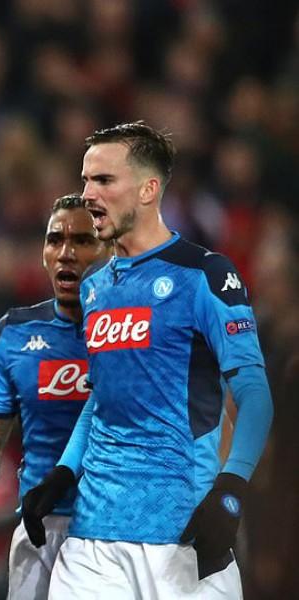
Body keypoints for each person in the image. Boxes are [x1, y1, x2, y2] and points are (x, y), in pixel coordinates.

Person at [22, 122, 274, 599]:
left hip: (183, 537)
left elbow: (254, 394)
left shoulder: (204, 274)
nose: (87, 194)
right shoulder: (95, 287)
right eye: (85, 180)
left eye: (103, 180)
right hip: (92, 544)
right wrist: (64, 471)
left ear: (148, 189)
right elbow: (102, 396)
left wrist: (231, 487)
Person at [0, 195, 109, 600]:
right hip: (39, 531)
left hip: (114, 529)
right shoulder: (15, 335)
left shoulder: (133, 331)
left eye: (82, 240)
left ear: (109, 249)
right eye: (55, 240)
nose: (66, 253)